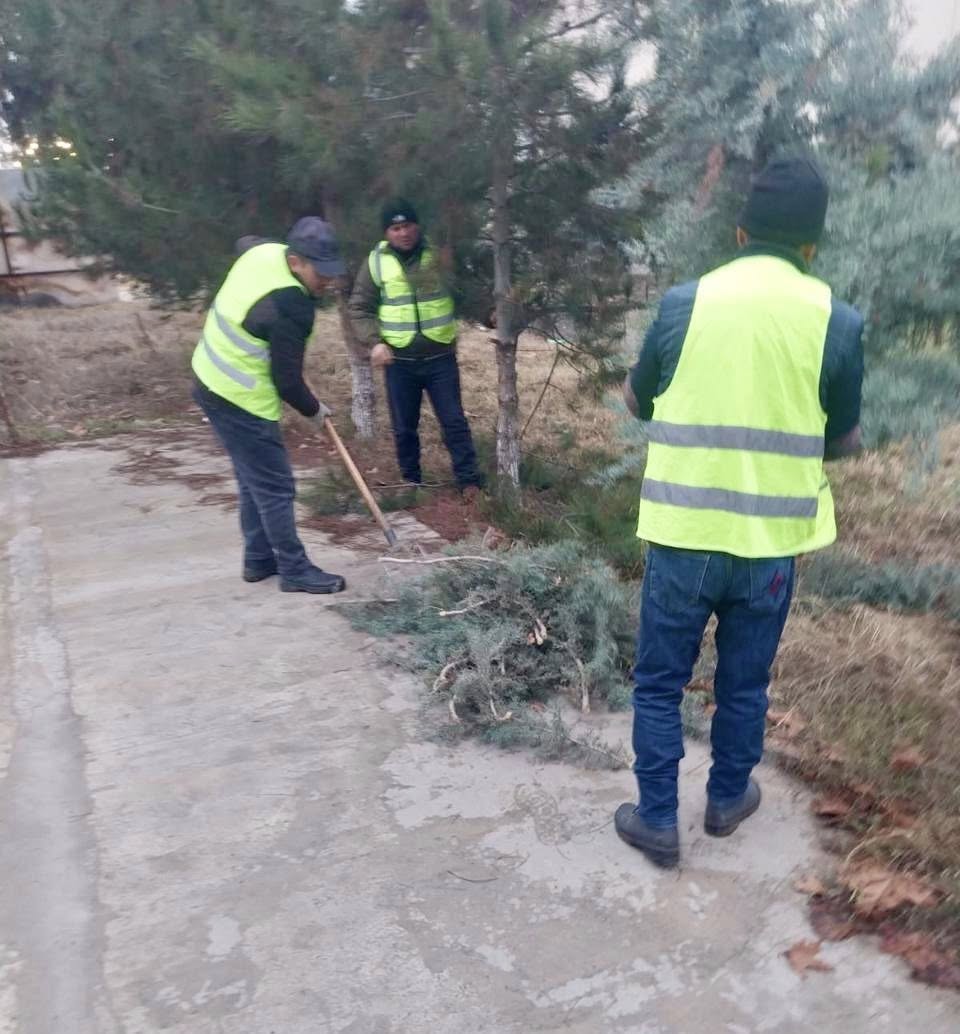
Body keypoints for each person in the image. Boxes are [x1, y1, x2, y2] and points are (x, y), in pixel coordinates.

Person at [615, 156, 864, 867]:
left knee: (659, 683)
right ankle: (727, 800)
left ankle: (656, 819)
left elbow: (636, 401)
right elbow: (844, 440)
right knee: (745, 683)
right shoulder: (838, 321)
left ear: (741, 231)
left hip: (684, 533)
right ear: (812, 244)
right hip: (771, 543)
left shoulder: (683, 303)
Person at [191, 218, 348, 594]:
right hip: (238, 396)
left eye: (332, 271)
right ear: (295, 261)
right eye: (320, 272)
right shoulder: (292, 305)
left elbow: (244, 240)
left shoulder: (264, 251)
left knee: (253, 478)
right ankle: (294, 569)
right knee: (276, 485)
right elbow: (288, 382)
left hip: (208, 377)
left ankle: (259, 559)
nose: (327, 281)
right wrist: (315, 411)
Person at [348, 198, 484, 490]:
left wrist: (490, 314)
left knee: (454, 421)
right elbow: (359, 308)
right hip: (399, 362)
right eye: (396, 228)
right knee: (404, 427)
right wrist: (374, 343)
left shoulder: (439, 256)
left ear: (417, 226)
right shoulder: (375, 262)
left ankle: (469, 482)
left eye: (408, 225)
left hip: (440, 358)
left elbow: (465, 293)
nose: (403, 233)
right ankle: (411, 482)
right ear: (386, 232)